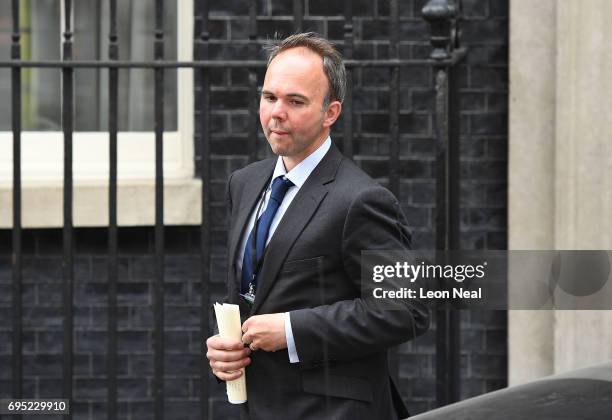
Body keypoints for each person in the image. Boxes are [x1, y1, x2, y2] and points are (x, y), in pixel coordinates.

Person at [205, 32, 429, 420]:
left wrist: (292, 330)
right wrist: (226, 349)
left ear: (331, 113)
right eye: (269, 97)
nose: (276, 112)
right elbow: (254, 292)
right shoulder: (243, 183)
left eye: (295, 102)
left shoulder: (361, 199)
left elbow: (406, 310)